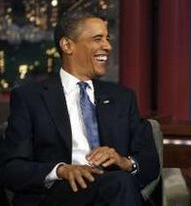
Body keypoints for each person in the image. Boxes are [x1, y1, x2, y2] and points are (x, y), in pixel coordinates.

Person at [0, 11, 160, 206]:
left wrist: (123, 161)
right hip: (58, 194)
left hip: (115, 189)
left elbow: (150, 162)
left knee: (120, 182)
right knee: (121, 184)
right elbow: (12, 168)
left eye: (107, 39)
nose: (107, 46)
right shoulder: (29, 98)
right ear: (67, 45)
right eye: (97, 39)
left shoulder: (122, 98)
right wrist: (60, 170)